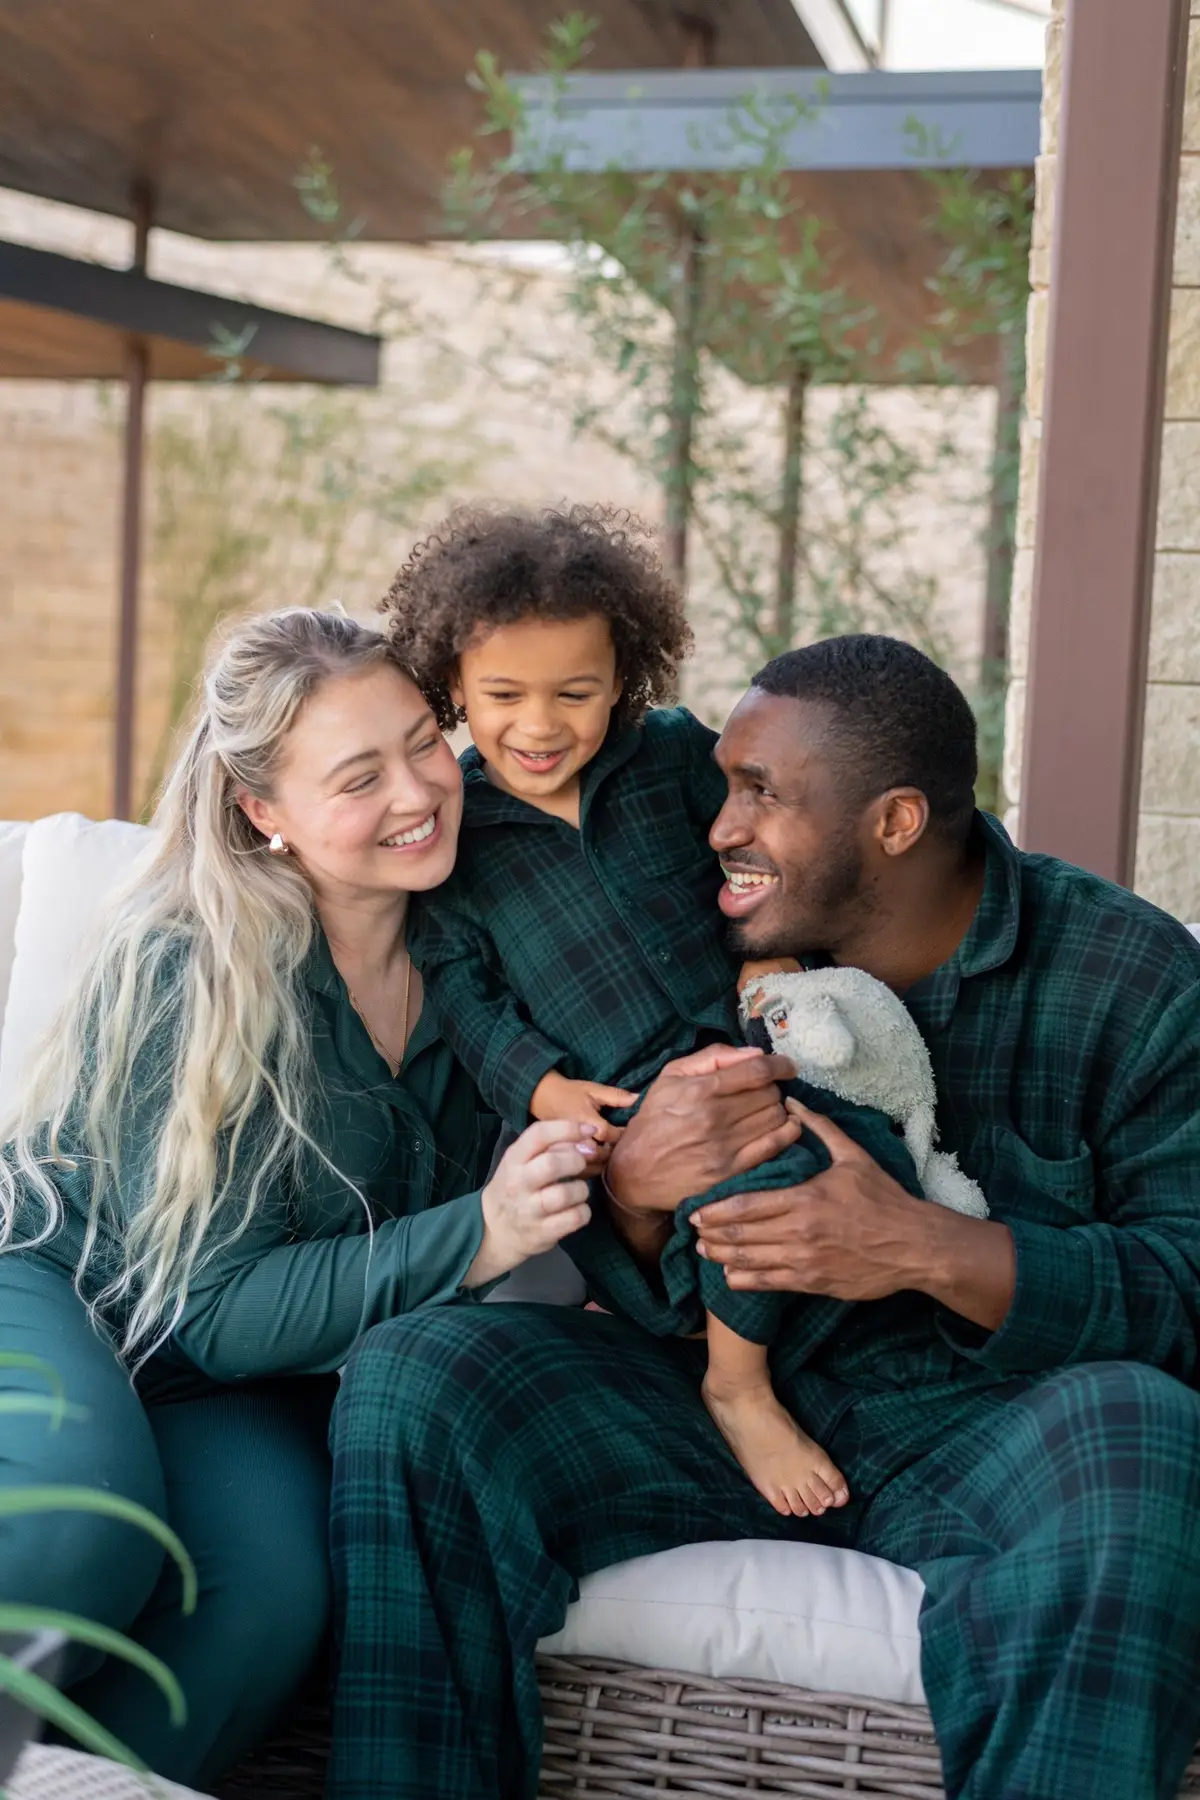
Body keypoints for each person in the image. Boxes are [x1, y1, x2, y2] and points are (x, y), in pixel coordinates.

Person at [328, 633, 1200, 1800]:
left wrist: (924, 1249)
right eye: (723, 786)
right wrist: (634, 1190)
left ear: (894, 824)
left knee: (1144, 1434)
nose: (718, 829)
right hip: (708, 1396)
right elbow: (641, 1272)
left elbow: (1185, 1287)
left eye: (759, 796)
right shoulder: (704, 927)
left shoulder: (1129, 978)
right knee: (418, 1377)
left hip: (987, 1424)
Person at [0, 608, 595, 1787]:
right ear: (262, 810)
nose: (418, 793)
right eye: (359, 777)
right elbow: (219, 1306)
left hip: (236, 1374)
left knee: (271, 1595)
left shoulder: (481, 935)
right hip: (61, 1281)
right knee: (84, 1533)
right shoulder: (192, 959)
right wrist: (483, 1234)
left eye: (423, 743)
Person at [387, 502, 904, 1518]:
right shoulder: (460, 832)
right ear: (452, 685)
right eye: (503, 695)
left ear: (624, 676)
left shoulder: (669, 756)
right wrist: (543, 1089)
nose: (540, 726)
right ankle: (735, 1387)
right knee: (726, 1193)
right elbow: (462, 991)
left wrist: (775, 952)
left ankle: (777, 1347)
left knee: (837, 1157)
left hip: (746, 1049)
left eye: (575, 693)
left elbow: (755, 841)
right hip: (612, 1107)